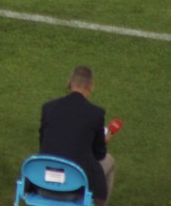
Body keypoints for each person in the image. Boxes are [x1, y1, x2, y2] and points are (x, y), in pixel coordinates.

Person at [39, 66, 116, 206]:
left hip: (43, 185)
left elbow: (43, 144)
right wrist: (102, 141)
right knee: (109, 160)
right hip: (73, 190)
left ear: (69, 82)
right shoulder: (95, 114)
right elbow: (99, 155)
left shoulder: (48, 108)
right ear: (91, 86)